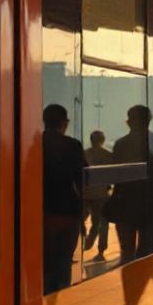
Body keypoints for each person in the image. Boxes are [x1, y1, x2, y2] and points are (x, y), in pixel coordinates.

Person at [109, 105, 153, 305]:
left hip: (125, 208)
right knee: (145, 258)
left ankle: (129, 304)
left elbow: (115, 174)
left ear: (129, 121)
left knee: (128, 256)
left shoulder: (121, 144)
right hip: (152, 209)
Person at [42, 105, 84, 295]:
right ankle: (61, 294)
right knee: (64, 258)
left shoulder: (34, 143)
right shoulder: (72, 145)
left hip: (41, 210)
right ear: (63, 123)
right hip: (67, 210)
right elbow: (82, 178)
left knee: (45, 259)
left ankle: (45, 292)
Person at [83, 130, 113, 262]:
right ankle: (101, 250)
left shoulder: (84, 153)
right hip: (101, 194)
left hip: (86, 194)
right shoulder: (108, 155)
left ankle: (87, 239)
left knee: (82, 219)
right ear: (103, 140)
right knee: (102, 222)